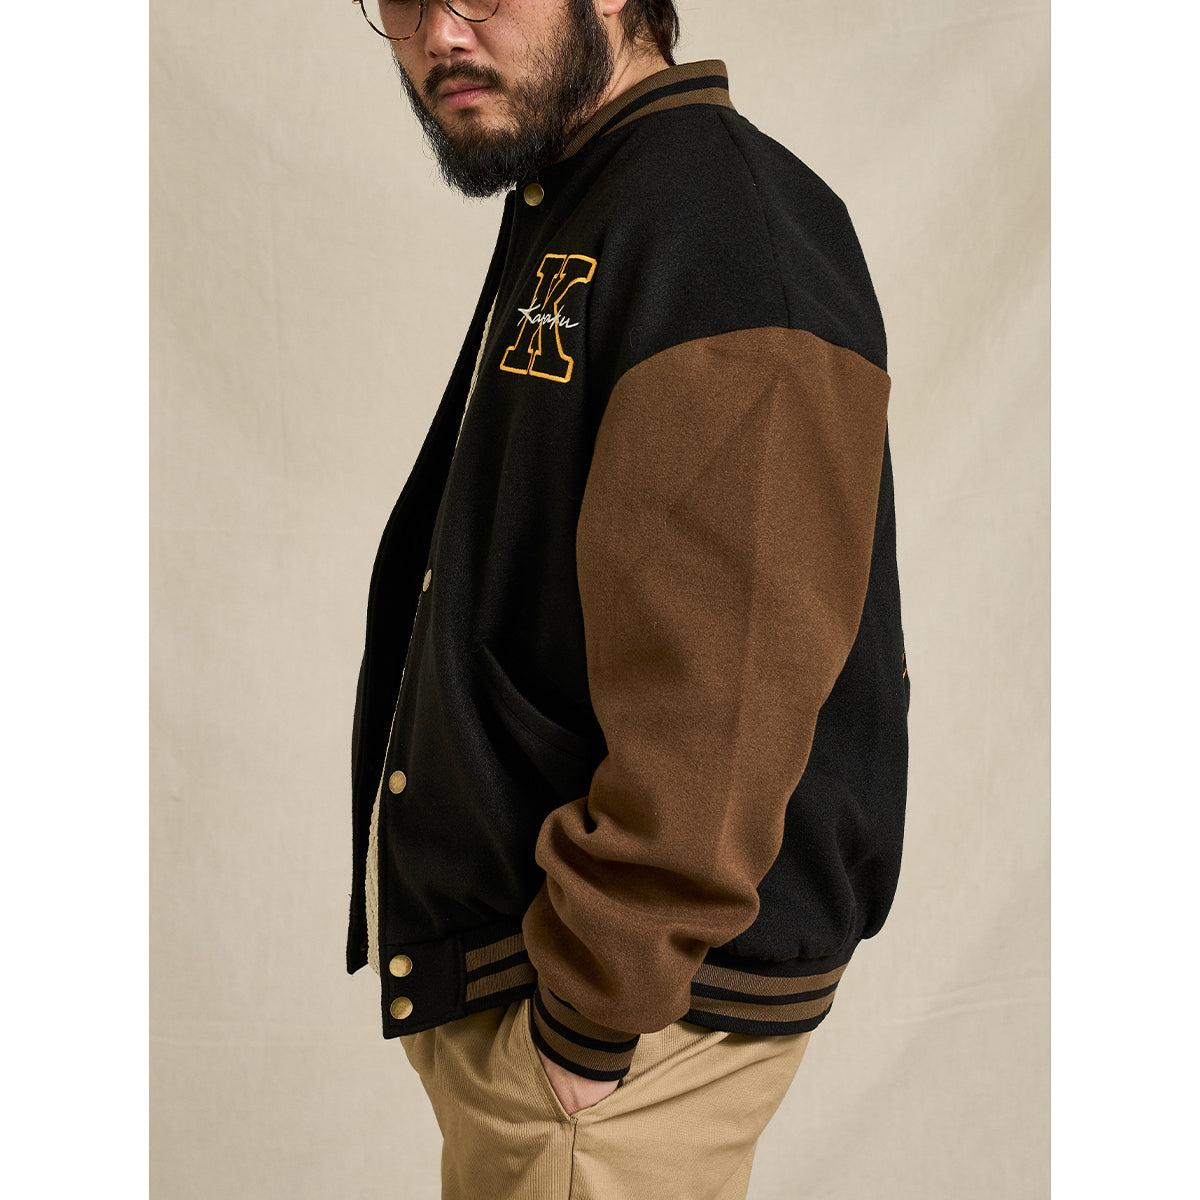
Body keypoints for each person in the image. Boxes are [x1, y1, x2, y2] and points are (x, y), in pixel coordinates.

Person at [345, 2, 910, 1197]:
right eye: (401, 1)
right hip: (571, 1010)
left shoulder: (723, 227)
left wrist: (587, 1025)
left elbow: (731, 683)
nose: (439, 34)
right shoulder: (601, 196)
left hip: (618, 1040)